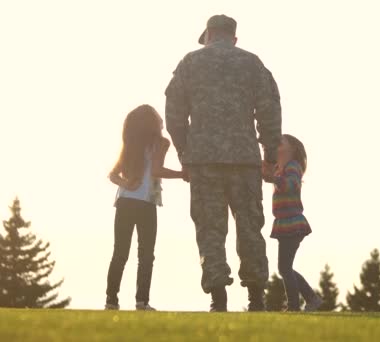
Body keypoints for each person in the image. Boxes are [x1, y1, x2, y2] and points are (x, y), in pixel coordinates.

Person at [165, 14, 282, 312]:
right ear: (234, 38)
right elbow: (270, 112)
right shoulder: (253, 64)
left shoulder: (190, 63)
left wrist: (183, 153)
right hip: (245, 161)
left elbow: (174, 114)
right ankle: (256, 297)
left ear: (208, 34)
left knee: (210, 229)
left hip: (204, 161)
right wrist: (269, 157)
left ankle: (218, 298)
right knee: (250, 227)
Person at [105, 104, 186, 311]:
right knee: (146, 255)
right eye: (158, 118)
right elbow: (157, 170)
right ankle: (142, 302)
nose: (161, 120)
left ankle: (111, 301)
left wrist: (126, 184)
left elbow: (113, 175)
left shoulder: (131, 145)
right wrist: (182, 174)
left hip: (124, 202)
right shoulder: (161, 143)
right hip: (146, 204)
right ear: (152, 122)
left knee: (120, 253)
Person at [262, 134, 322, 311]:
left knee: (284, 268)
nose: (278, 141)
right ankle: (311, 299)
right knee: (285, 267)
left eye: (282, 141)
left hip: (292, 224)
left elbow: (291, 184)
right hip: (284, 224)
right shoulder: (280, 168)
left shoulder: (293, 167)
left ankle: (296, 306)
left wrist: (274, 179)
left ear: (292, 149)